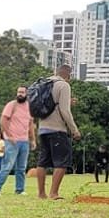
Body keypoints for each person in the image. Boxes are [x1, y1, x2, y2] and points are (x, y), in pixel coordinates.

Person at [35, 64, 81, 200]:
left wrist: (67, 102)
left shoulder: (45, 83)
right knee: (62, 161)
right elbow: (64, 111)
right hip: (57, 129)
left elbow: (52, 103)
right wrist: (74, 129)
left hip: (42, 127)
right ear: (68, 75)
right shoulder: (64, 85)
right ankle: (54, 193)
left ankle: (41, 193)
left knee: (42, 161)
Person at [0, 87, 37, 196]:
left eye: (22, 92)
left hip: (24, 141)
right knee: (8, 165)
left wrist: (33, 140)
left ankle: (19, 189)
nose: (20, 94)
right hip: (12, 141)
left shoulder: (29, 107)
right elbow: (3, 120)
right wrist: (9, 135)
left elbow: (31, 125)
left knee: (21, 167)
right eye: (18, 92)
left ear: (27, 94)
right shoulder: (12, 105)